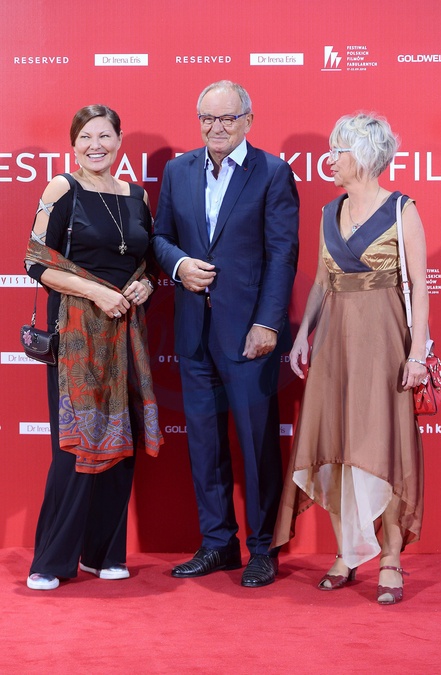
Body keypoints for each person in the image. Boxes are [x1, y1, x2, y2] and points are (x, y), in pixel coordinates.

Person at [272, 113, 428, 604]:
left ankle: (390, 557)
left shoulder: (402, 209)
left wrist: (418, 353)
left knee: (382, 443)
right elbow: (323, 280)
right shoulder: (328, 212)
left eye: (337, 151)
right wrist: (303, 335)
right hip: (335, 341)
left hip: (384, 341)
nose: (330, 160)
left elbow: (420, 286)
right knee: (336, 442)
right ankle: (346, 552)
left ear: (361, 156)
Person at [153, 80, 299, 587]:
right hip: (194, 333)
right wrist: (178, 265)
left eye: (227, 118)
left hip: (249, 336)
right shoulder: (178, 170)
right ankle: (218, 543)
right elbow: (160, 236)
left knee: (257, 446)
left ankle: (263, 548)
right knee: (203, 444)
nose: (216, 127)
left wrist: (267, 323)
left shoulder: (272, 173)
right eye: (207, 118)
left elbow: (282, 254)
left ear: (247, 121)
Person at [25, 104, 163, 590]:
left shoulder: (137, 196)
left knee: (120, 442)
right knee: (74, 446)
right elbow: (35, 260)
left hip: (126, 334)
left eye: (104, 136)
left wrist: (145, 285)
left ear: (119, 140)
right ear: (73, 144)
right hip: (76, 335)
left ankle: (102, 553)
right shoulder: (62, 188)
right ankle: (50, 561)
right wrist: (96, 292)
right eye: (85, 137)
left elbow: (147, 261)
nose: (95, 145)